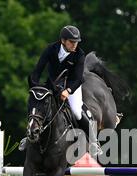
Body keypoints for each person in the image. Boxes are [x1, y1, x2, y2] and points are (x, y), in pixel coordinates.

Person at [19, 25, 102, 155]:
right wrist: (35, 86)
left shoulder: (79, 55)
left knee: (76, 111)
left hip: (72, 86)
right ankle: (28, 137)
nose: (74, 45)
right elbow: (38, 70)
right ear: (63, 40)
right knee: (37, 104)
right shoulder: (50, 49)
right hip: (53, 84)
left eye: (76, 42)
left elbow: (78, 78)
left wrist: (68, 91)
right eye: (71, 42)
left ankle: (93, 142)